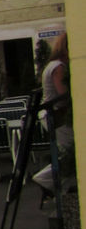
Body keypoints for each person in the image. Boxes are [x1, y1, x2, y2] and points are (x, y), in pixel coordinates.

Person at [32, 33, 75, 195]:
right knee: (70, 151)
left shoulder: (52, 65)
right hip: (57, 115)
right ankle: (45, 179)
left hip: (51, 115)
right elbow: (62, 94)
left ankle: (60, 186)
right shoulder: (59, 67)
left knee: (67, 151)